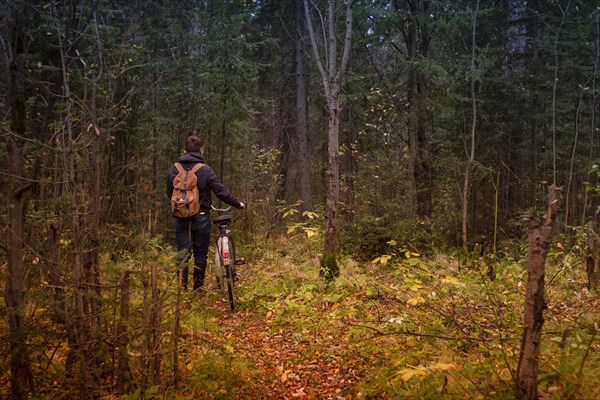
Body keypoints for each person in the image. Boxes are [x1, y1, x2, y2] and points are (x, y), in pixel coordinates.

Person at [166, 133, 245, 292]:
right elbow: (220, 191)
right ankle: (198, 289)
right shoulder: (205, 170)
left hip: (180, 216)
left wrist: (181, 207)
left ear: (185, 150)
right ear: (200, 151)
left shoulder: (174, 169)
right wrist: (237, 204)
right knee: (200, 254)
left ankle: (182, 289)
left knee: (183, 253)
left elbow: (170, 193)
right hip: (201, 216)